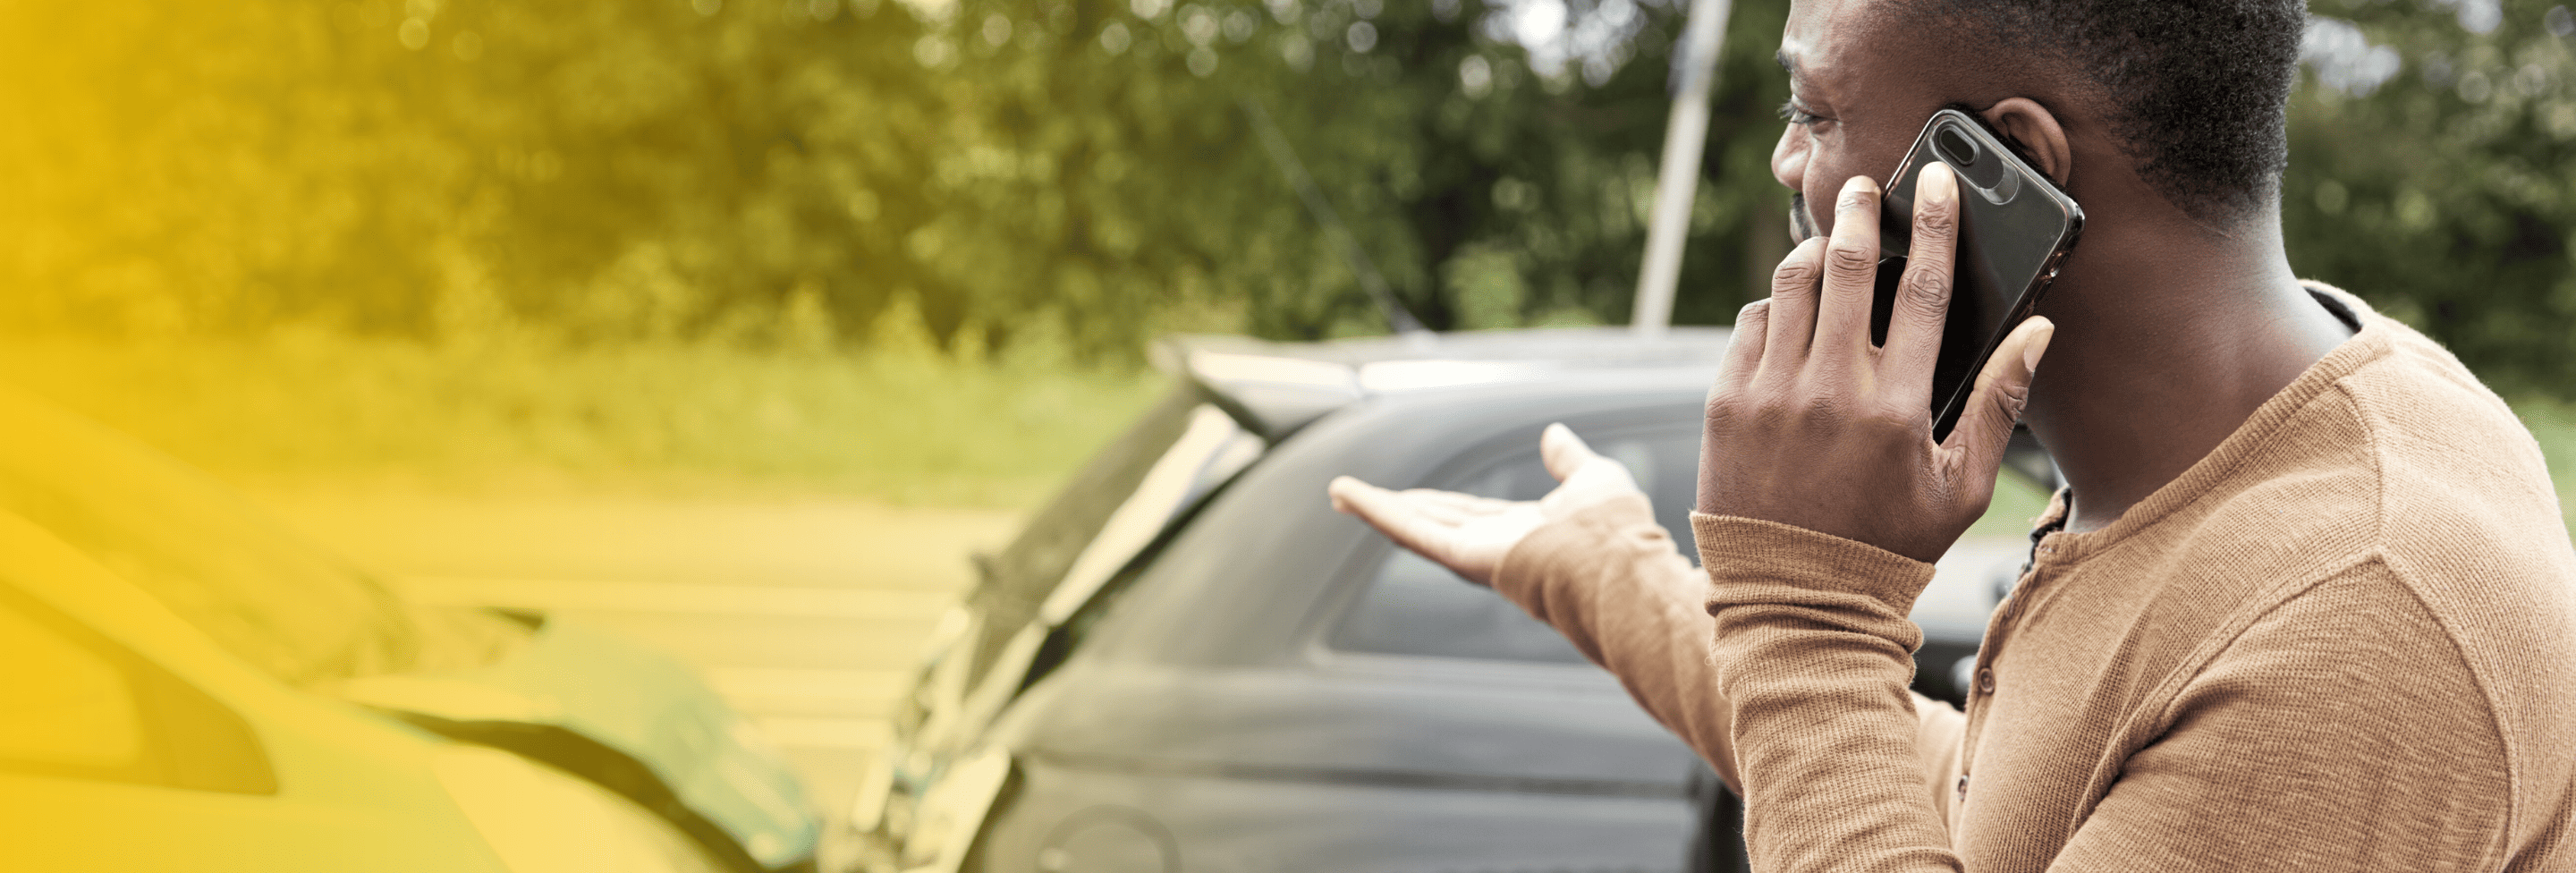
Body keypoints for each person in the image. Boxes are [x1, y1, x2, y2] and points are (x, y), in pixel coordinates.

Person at [1328, 0, 2576, 869]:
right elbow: (2007, 822)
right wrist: (1615, 578)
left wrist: (1811, 610)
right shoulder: (2286, 434)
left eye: (1815, 109)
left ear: (2004, 163)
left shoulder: (2361, 610)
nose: (1786, 160)